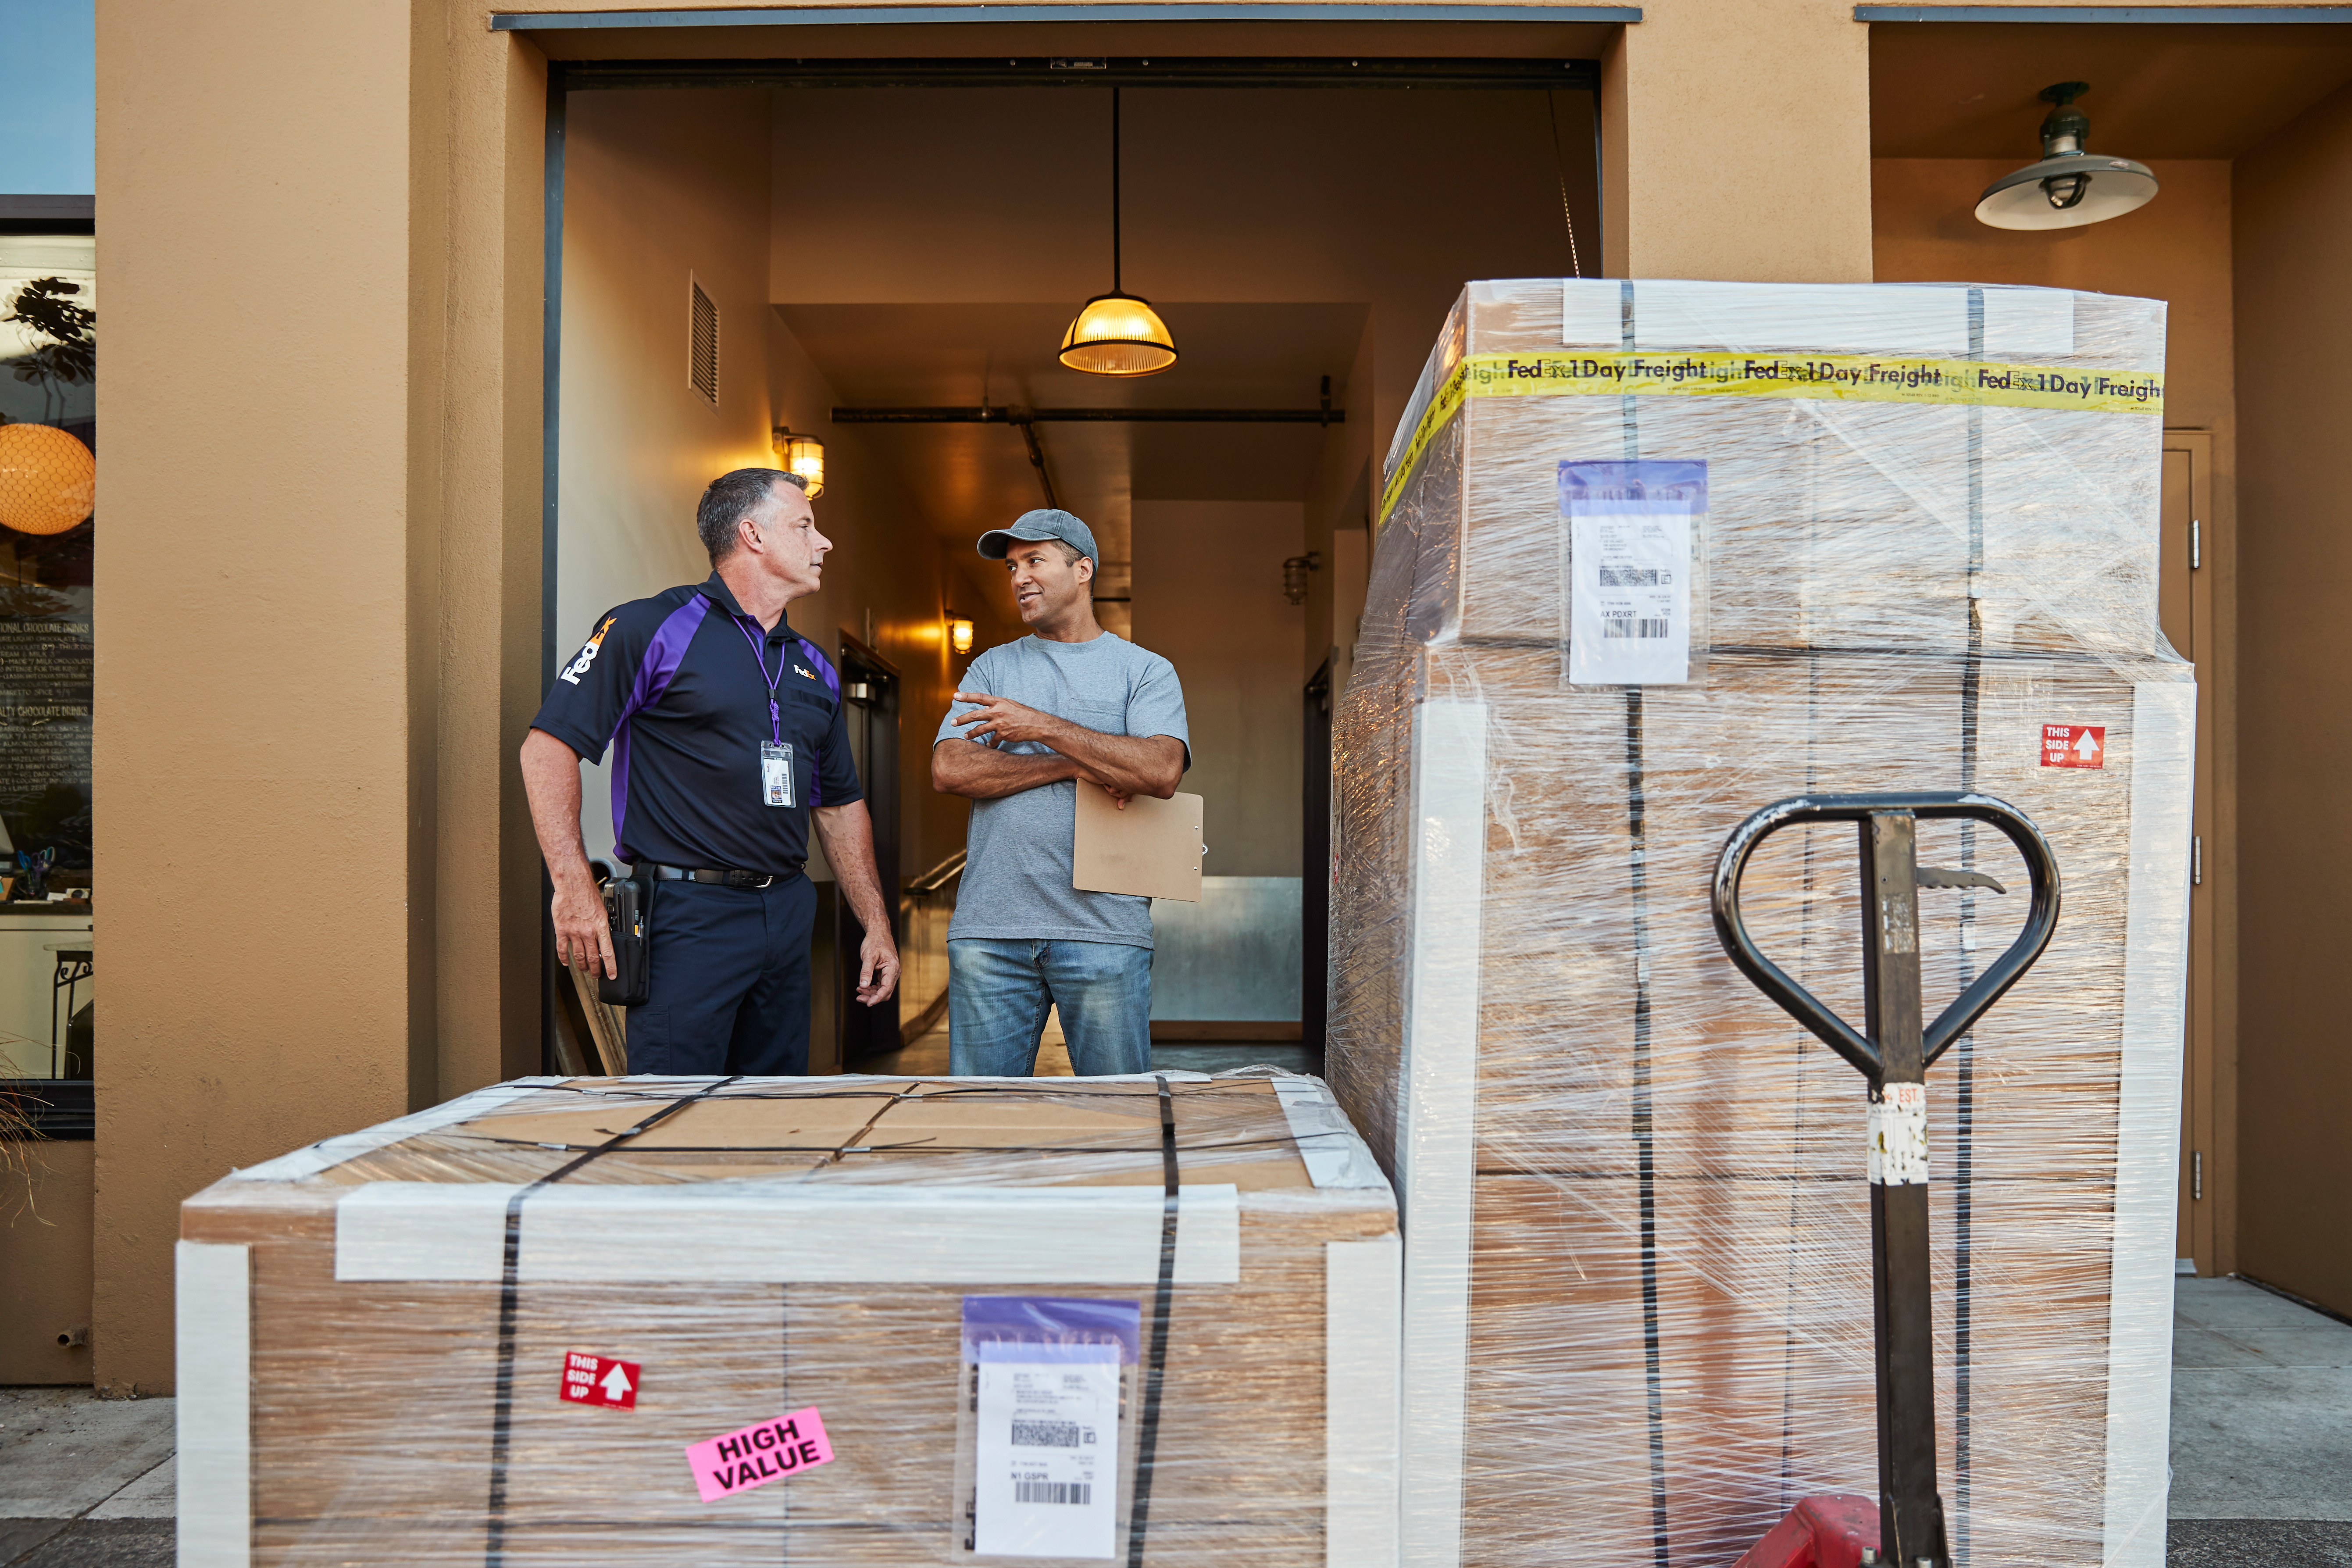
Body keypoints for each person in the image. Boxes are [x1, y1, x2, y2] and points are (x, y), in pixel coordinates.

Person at [521, 468, 899, 1074]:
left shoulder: (814, 667)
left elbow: (838, 805)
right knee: (675, 1111)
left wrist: (875, 924)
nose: (823, 542)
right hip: (687, 917)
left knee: (774, 1107)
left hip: (787, 909)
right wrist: (573, 888)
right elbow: (547, 746)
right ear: (752, 534)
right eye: (805, 526)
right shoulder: (651, 627)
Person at [932, 508, 1188, 1076]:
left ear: (1083, 570)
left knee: (1120, 1122)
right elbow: (950, 769)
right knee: (982, 1127)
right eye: (1012, 566)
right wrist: (1073, 766)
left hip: (1104, 932)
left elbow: (1161, 770)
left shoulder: (1143, 672)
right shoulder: (991, 669)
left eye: (1035, 561)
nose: (1019, 577)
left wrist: (1039, 727)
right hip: (990, 936)